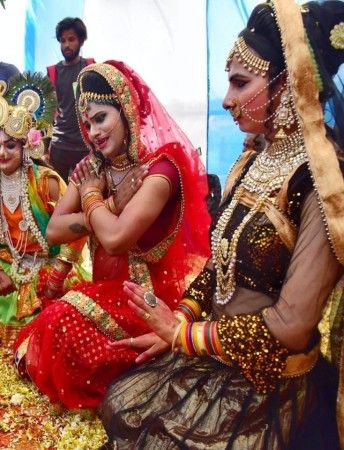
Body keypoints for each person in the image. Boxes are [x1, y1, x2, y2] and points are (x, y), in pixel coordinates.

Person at [100, 2, 344, 448]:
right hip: (218, 353)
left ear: (291, 81)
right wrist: (179, 319)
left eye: (240, 82)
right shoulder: (254, 157)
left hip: (270, 382)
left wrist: (185, 336)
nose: (227, 99)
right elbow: (220, 264)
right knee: (122, 401)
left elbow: (291, 325)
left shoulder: (324, 182)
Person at [13, 61, 211, 409]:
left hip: (145, 302)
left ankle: (141, 374)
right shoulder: (92, 169)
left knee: (61, 324)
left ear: (128, 110)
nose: (93, 132)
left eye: (101, 118)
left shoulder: (161, 170)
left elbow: (117, 238)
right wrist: (110, 203)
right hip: (103, 295)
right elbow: (54, 230)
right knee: (53, 323)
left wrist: (91, 199)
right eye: (87, 124)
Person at [0, 73, 86, 346]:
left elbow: (79, 228)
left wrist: (57, 275)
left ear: (25, 146)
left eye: (10, 145)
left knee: (63, 313)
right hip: (11, 264)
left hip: (50, 266)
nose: (2, 152)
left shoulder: (46, 182)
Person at [47, 17, 95, 182]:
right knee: (57, 196)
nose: (66, 45)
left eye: (71, 39)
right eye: (62, 40)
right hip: (59, 146)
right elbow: (48, 112)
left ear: (81, 41)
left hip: (86, 145)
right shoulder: (53, 72)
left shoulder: (91, 66)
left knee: (86, 194)